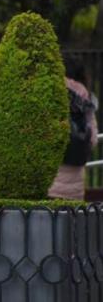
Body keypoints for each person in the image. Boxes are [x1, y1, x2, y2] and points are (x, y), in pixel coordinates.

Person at [49, 55, 98, 200]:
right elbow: (93, 139)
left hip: (49, 181)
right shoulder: (85, 99)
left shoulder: (50, 92)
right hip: (75, 185)